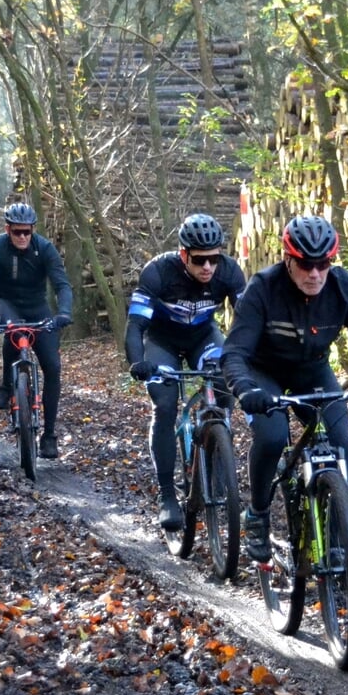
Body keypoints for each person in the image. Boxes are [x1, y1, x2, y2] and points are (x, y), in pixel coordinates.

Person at [223, 214, 348, 569]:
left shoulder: (342, 286)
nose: (315, 274)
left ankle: (335, 533)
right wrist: (244, 388)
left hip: (312, 370)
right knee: (272, 437)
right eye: (305, 264)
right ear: (288, 260)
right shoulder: (263, 287)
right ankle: (257, 514)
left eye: (323, 264)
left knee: (339, 440)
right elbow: (234, 352)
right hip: (263, 371)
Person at [126, 213, 248, 531]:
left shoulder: (230, 272)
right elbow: (136, 325)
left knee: (224, 385)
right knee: (165, 405)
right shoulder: (157, 272)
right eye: (199, 260)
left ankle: (217, 452)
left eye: (214, 259)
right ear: (184, 255)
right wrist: (138, 362)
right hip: (161, 342)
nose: (208, 267)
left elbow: (249, 321)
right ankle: (167, 495)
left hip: (203, 338)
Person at [0, 203, 74, 458]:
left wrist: (63, 314)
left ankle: (49, 435)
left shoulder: (44, 248)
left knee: (53, 366)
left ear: (32, 230)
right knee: (13, 331)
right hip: (6, 303)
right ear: (8, 230)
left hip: (38, 308)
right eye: (17, 232)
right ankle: (7, 386)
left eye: (27, 232)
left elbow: (62, 285)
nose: (23, 237)